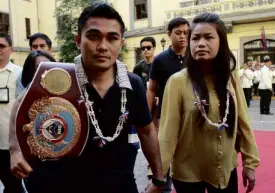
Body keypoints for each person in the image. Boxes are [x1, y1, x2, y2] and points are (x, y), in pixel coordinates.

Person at [9, 3, 165, 193]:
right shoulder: (60, 78)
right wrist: (16, 151)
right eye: (93, 37)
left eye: (112, 38)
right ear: (78, 40)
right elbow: (20, 104)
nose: (102, 46)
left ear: (121, 43)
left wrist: (158, 178)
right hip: (68, 184)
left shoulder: (133, 84)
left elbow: (147, 131)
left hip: (120, 184)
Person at [148, 13, 260, 193]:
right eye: (196, 38)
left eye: (208, 37)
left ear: (221, 42)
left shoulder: (230, 77)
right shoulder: (177, 81)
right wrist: (158, 176)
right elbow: (167, 134)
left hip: (225, 170)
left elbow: (243, 121)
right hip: (187, 173)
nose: (200, 43)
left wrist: (250, 163)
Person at [147, 17, 189, 193]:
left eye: (186, 33)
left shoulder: (194, 56)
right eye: (178, 33)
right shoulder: (160, 60)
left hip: (191, 115)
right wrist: (148, 116)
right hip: (166, 116)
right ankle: (163, 185)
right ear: (169, 34)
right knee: (165, 153)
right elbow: (151, 88)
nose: (182, 37)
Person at [0, 33, 23, 193]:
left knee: (13, 187)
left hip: (9, 145)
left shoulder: (19, 74)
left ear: (11, 49)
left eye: (2, 46)